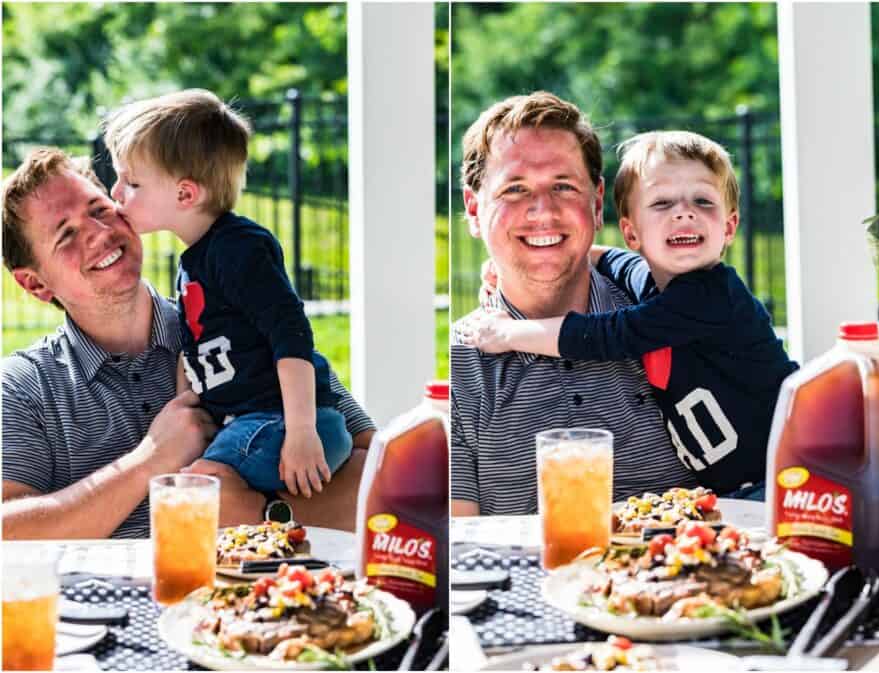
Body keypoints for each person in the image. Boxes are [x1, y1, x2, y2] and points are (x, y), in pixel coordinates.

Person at [1, 147, 375, 539]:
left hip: (260, 597)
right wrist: (150, 461)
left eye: (99, 209)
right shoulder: (23, 388)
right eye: (67, 234)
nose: (99, 232)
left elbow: (385, 471)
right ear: (35, 284)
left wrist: (259, 514)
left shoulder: (242, 326)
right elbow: (7, 533)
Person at [461, 131, 798, 499]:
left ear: (729, 226)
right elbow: (617, 261)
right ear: (631, 233)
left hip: (782, 470)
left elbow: (609, 334)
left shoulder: (713, 294)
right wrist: (541, 253)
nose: (684, 211)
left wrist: (509, 334)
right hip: (737, 488)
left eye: (703, 201)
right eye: (662, 203)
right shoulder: (653, 282)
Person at [451, 92, 699, 518]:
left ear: (597, 202)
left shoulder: (668, 315)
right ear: (474, 209)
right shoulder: (458, 366)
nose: (543, 212)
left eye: (563, 187)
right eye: (515, 189)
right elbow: (459, 558)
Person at [104, 89, 350, 499]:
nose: (116, 193)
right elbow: (197, 349)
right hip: (252, 424)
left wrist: (302, 431)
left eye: (131, 182)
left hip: (281, 424)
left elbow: (291, 336)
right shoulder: (194, 260)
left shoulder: (239, 248)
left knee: (193, 490)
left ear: (185, 194)